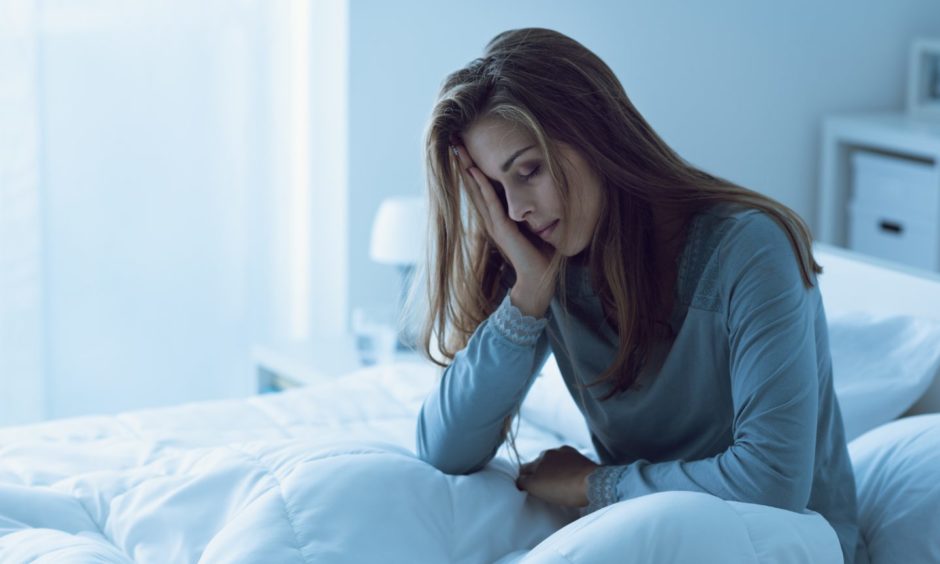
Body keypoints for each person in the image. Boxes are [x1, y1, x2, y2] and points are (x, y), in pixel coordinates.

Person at [413, 27, 858, 563]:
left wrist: (593, 485)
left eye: (528, 171)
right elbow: (445, 448)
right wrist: (527, 297)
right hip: (648, 542)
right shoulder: (547, 264)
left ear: (596, 134)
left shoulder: (749, 248)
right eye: (495, 191)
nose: (515, 212)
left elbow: (772, 485)